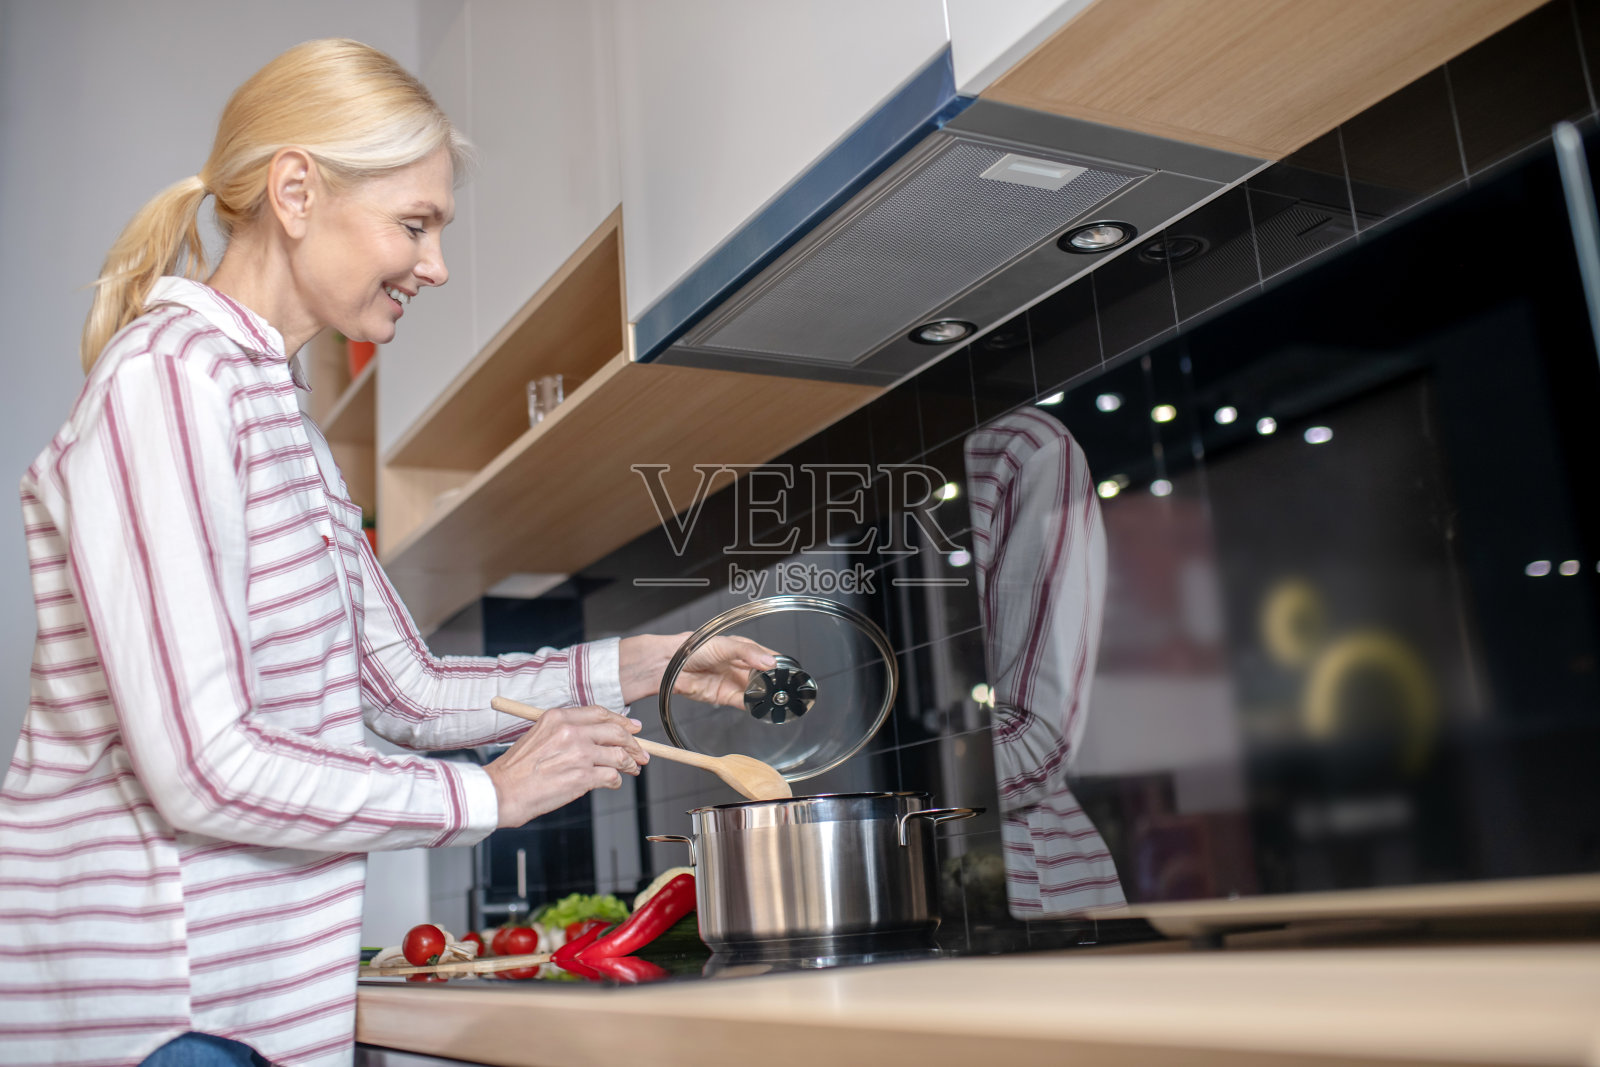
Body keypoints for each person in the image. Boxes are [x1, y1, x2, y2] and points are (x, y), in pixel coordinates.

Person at [0, 38, 769, 1067]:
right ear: (296, 191)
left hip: (252, 1009)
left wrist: (651, 662)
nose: (436, 264)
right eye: (415, 224)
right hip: (170, 1010)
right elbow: (200, 768)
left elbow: (403, 688)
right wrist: (485, 798)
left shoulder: (282, 424)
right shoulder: (171, 383)